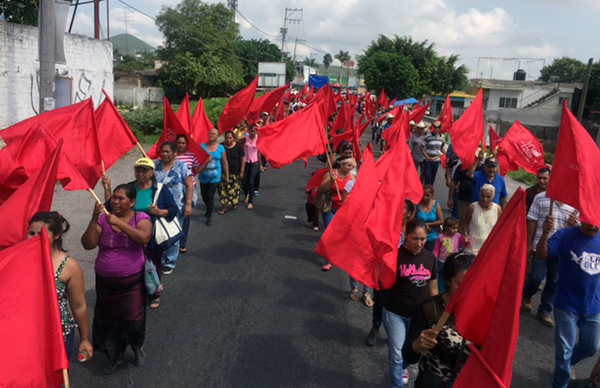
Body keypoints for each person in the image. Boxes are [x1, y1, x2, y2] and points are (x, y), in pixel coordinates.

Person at [81, 184, 152, 375]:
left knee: (133, 320)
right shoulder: (103, 219)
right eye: (114, 197)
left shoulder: (141, 218)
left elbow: (144, 238)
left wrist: (120, 223)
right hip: (105, 283)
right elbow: (88, 244)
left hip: (132, 283)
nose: (116, 201)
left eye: (121, 198)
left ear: (132, 202)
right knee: (110, 322)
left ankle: (136, 347)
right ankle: (117, 356)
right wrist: (94, 219)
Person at [101, 157, 179, 308]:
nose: (141, 173)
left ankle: (155, 293)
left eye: (145, 170)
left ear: (152, 173)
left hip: (152, 236)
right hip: (128, 233)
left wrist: (159, 211)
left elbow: (173, 210)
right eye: (138, 170)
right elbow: (111, 207)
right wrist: (107, 188)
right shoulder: (129, 188)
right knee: (133, 264)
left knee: (153, 265)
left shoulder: (160, 189)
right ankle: (134, 292)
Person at [536, 218, 600, 388]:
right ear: (582, 218)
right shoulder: (565, 235)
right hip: (567, 304)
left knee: (591, 347)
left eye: (597, 223)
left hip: (593, 306)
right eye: (589, 222)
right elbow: (541, 255)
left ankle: (565, 364)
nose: (592, 227)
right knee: (564, 350)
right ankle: (559, 383)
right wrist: (544, 233)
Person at [402, 252, 475, 387]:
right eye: (460, 284)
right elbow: (408, 356)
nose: (467, 290)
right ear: (448, 280)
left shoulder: (483, 314)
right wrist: (417, 345)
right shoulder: (430, 308)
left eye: (472, 284)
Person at [28, 212, 93, 361]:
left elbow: (79, 306)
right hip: (26, 334)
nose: (35, 238)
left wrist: (84, 339)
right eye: (31, 233)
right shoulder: (18, 259)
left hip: (57, 336)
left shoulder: (69, 266)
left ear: (56, 235)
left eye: (41, 234)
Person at [383, 218, 439, 388]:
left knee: (411, 354)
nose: (419, 243)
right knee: (397, 355)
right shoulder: (395, 255)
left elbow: (434, 289)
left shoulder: (430, 258)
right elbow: (383, 281)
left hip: (419, 317)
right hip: (395, 313)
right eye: (415, 238)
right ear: (406, 236)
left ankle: (402, 369)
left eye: (422, 239)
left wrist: (436, 316)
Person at [522, 190, 578, 327]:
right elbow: (532, 222)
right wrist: (529, 243)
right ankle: (527, 294)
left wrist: (574, 224)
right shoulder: (541, 198)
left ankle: (545, 311)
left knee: (554, 281)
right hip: (540, 246)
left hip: (562, 249)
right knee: (536, 276)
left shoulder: (576, 204)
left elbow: (582, 228)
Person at [366, 200, 415, 347]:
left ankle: (392, 332)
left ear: (410, 213)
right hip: (384, 272)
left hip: (402, 276)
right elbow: (379, 250)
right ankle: (375, 327)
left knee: (396, 305)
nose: (400, 211)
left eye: (404, 209)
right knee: (380, 302)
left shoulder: (412, 231)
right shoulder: (387, 226)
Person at [154, 142, 194, 273]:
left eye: (168, 151)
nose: (165, 154)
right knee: (159, 234)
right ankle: (159, 258)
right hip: (157, 208)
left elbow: (189, 186)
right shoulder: (155, 166)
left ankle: (170, 261)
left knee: (173, 235)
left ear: (174, 153)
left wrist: (188, 205)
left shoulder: (182, 166)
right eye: (163, 151)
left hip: (177, 207)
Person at [318, 156, 356, 271]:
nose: (350, 168)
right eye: (348, 165)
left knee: (339, 235)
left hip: (343, 210)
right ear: (341, 165)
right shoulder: (331, 174)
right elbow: (321, 189)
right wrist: (331, 180)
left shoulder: (351, 177)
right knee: (330, 233)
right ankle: (329, 260)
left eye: (352, 166)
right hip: (329, 208)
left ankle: (336, 254)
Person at [174, 135, 200, 254]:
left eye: (183, 143)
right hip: (174, 190)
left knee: (186, 214)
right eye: (179, 143)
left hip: (188, 188)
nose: (181, 145)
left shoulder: (191, 155)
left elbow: (198, 170)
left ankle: (182, 242)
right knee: (173, 214)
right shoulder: (170, 156)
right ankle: (172, 241)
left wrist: (206, 162)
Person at [463, 184, 502, 255]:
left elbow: (500, 227)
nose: (485, 199)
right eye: (483, 196)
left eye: (488, 197)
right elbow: (466, 222)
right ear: (479, 195)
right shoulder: (472, 207)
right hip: (472, 248)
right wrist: (466, 234)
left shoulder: (497, 209)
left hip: (488, 248)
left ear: (493, 196)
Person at [433, 217, 470, 293]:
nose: (455, 230)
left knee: (452, 276)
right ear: (446, 227)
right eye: (453, 228)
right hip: (442, 261)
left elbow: (463, 244)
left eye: (456, 228)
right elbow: (436, 249)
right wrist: (434, 257)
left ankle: (450, 290)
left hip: (453, 261)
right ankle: (440, 291)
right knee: (441, 277)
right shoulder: (440, 237)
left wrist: (466, 241)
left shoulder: (458, 236)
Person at [200, 128, 229, 222]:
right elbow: (198, 160)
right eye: (210, 134)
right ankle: (208, 208)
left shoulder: (221, 148)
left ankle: (209, 216)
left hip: (215, 177)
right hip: (203, 175)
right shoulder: (202, 146)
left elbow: (224, 162)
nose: (211, 135)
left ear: (217, 136)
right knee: (204, 196)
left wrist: (227, 176)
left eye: (214, 134)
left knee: (210, 195)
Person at [219, 130, 245, 214]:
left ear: (233, 138)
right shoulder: (221, 146)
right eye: (226, 138)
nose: (228, 140)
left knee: (234, 189)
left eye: (230, 138)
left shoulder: (238, 147)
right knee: (223, 190)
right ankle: (224, 206)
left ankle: (234, 203)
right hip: (223, 172)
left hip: (235, 172)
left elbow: (243, 159)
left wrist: (242, 171)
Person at [415, 185, 443, 252]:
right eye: (423, 195)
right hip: (418, 237)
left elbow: (441, 221)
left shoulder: (436, 204)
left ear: (432, 195)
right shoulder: (417, 204)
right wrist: (423, 225)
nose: (425, 197)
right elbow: (411, 219)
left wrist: (427, 224)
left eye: (427, 195)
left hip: (432, 237)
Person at [241, 125, 262, 210]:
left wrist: (261, 165)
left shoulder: (258, 139)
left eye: (254, 131)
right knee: (244, 182)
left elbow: (259, 153)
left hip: (254, 162)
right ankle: (246, 194)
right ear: (249, 131)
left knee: (251, 181)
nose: (252, 133)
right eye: (251, 131)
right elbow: (238, 140)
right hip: (246, 162)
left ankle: (250, 201)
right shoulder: (246, 138)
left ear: (256, 132)